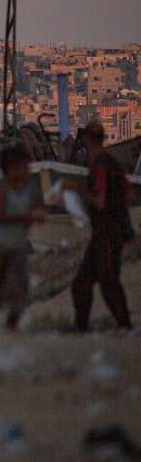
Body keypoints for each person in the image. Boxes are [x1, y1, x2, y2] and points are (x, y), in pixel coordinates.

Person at [69, 121, 133, 331]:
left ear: (86, 139)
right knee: (97, 282)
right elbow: (128, 194)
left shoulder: (99, 166)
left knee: (98, 283)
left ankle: (119, 326)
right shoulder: (113, 162)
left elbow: (99, 202)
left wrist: (79, 191)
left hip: (105, 233)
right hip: (116, 231)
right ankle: (120, 325)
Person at [0, 145, 45, 330]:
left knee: (21, 287)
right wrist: (23, 218)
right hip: (4, 247)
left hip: (19, 246)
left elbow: (29, 216)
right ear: (8, 170)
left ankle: (11, 323)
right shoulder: (4, 192)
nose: (24, 172)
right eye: (19, 168)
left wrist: (33, 219)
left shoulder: (27, 191)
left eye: (25, 167)